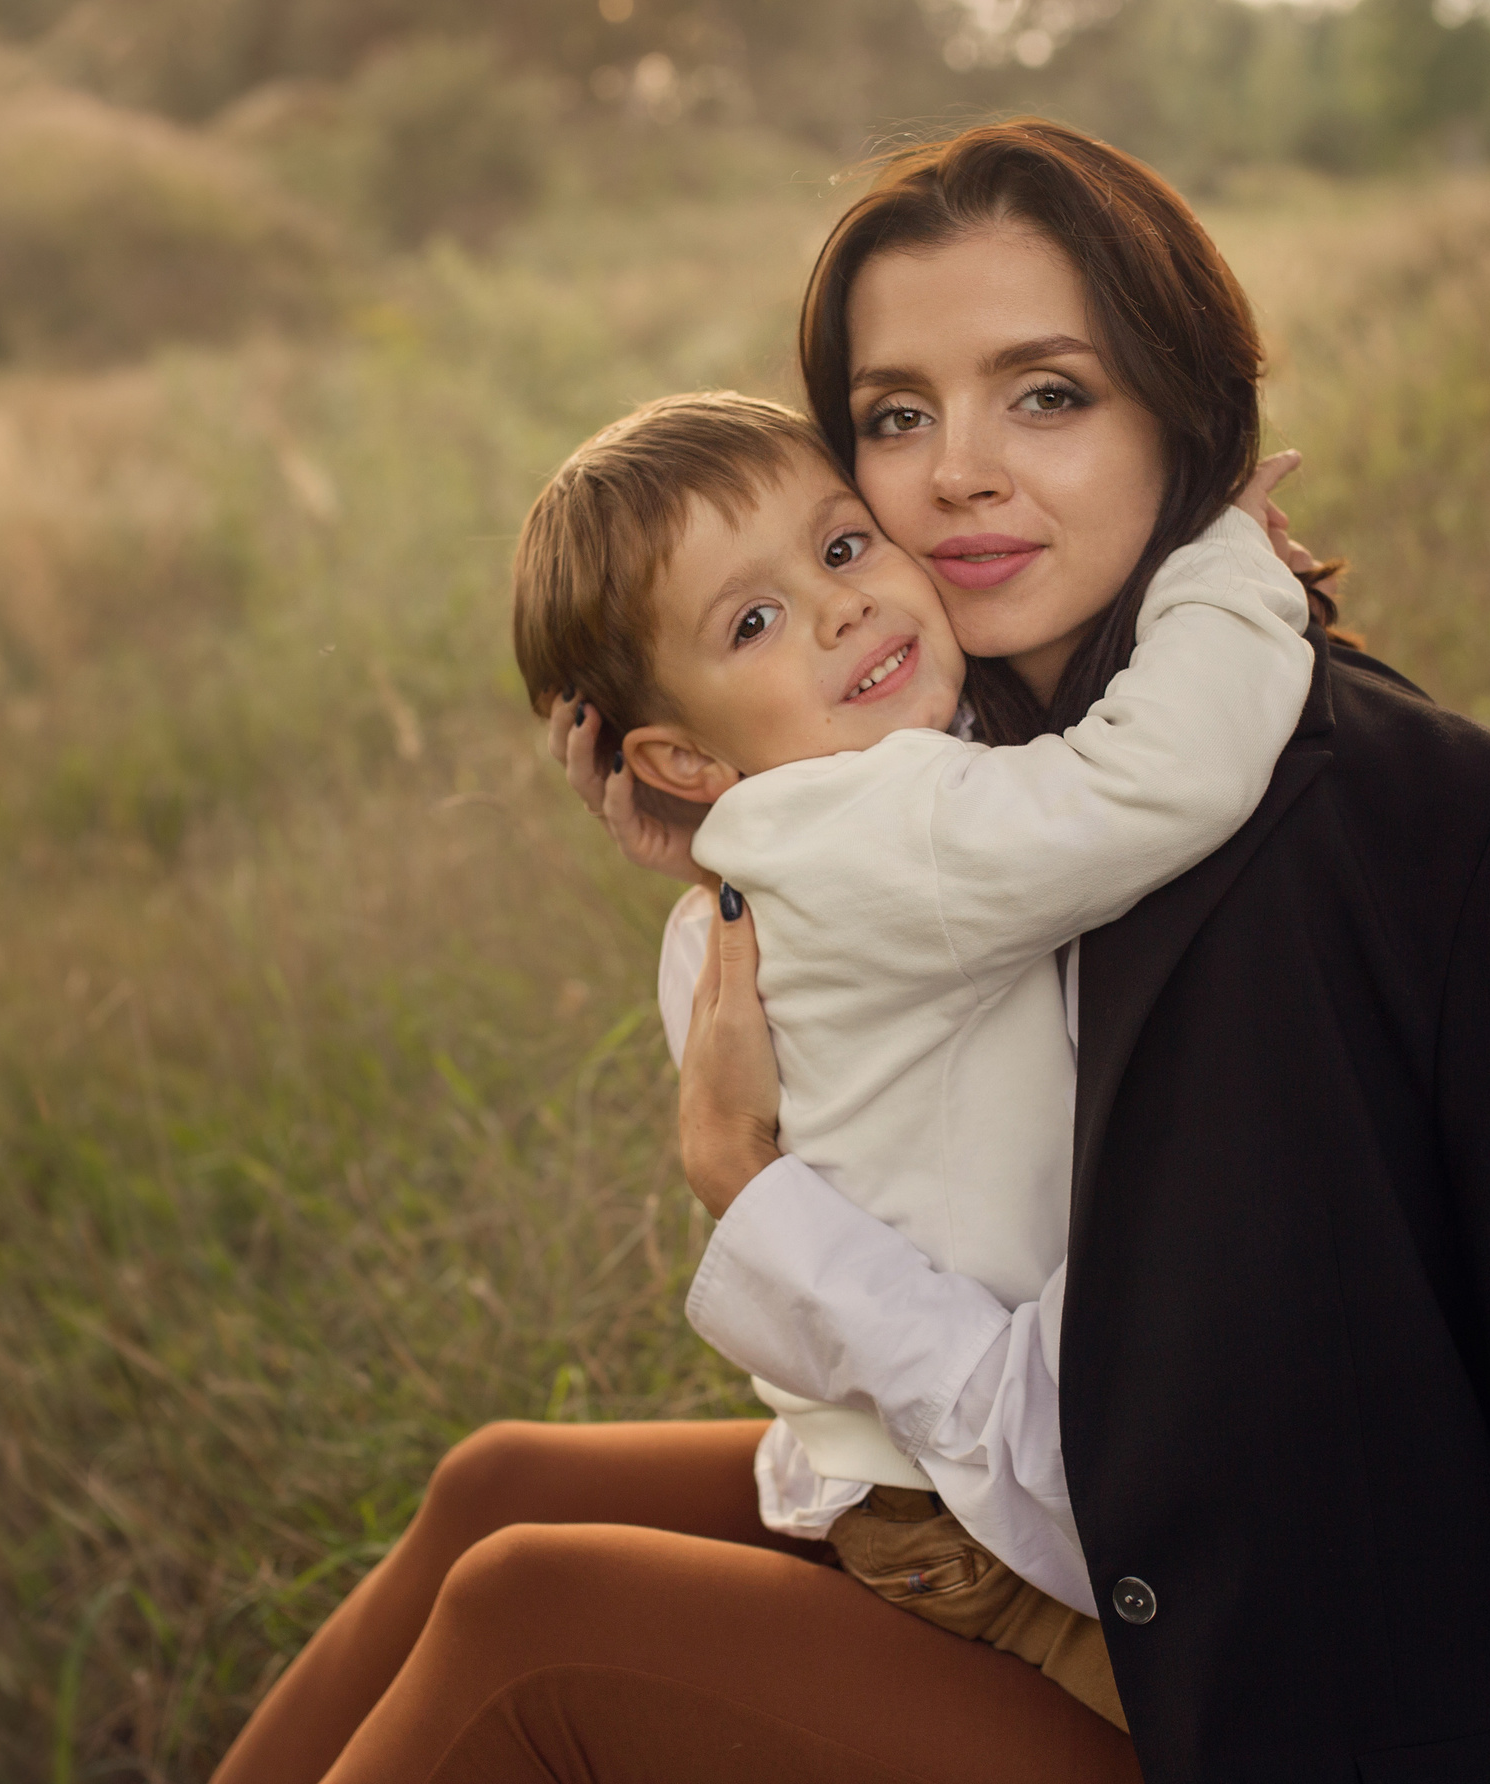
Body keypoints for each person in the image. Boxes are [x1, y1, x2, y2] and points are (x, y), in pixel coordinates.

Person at [211, 119, 1490, 1784]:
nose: (953, 472)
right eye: (894, 416)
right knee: (498, 1486)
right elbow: (914, 904)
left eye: (1048, 393)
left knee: (536, 1618)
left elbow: (1449, 1440)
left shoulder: (1365, 850)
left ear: (1186, 411)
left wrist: (757, 1191)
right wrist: (735, 840)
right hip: (1039, 1530)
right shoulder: (1002, 743)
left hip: (1245, 1672)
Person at [510, 387, 1315, 1727]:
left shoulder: (762, 873)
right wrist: (1217, 560)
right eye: (752, 622)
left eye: (839, 549)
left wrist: (714, 793)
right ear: (679, 751)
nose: (836, 609)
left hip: (891, 1473)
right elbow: (1156, 781)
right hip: (994, 1524)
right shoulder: (881, 825)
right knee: (1271, 1723)